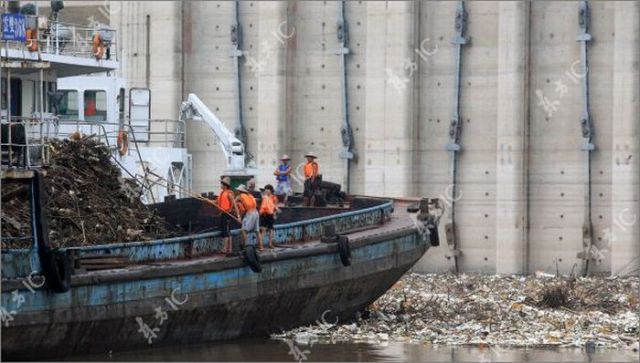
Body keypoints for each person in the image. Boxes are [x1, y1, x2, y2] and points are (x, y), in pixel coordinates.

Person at [217, 177, 239, 254]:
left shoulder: (229, 193)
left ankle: (225, 248)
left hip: (227, 214)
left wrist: (238, 215)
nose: (220, 185)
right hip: (223, 213)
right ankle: (229, 249)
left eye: (222, 184)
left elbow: (234, 204)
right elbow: (217, 201)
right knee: (228, 231)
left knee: (226, 231)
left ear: (225, 185)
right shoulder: (222, 193)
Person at [236, 184, 262, 250]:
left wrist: (239, 216)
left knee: (244, 230)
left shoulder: (240, 196)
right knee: (257, 231)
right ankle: (261, 247)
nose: (237, 191)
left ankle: (245, 247)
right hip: (256, 212)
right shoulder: (250, 195)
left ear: (240, 191)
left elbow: (234, 202)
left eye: (238, 190)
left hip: (250, 213)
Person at [259, 184, 279, 250]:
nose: (266, 191)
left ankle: (270, 244)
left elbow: (275, 207)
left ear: (271, 190)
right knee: (263, 230)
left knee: (270, 229)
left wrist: (275, 214)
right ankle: (261, 246)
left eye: (267, 189)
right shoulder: (264, 196)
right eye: (266, 189)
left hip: (270, 215)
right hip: (264, 215)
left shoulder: (274, 197)